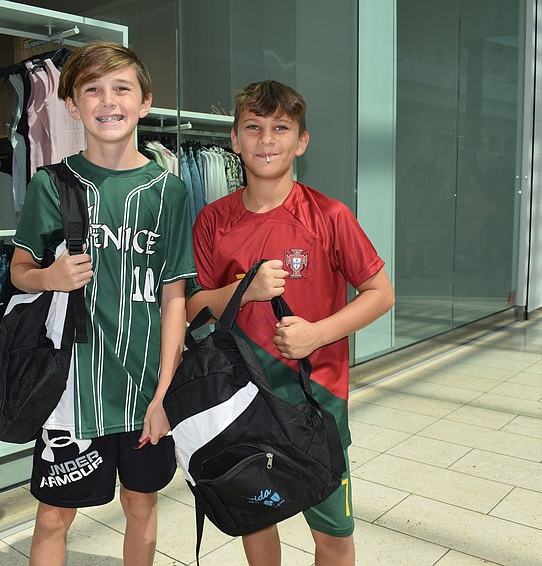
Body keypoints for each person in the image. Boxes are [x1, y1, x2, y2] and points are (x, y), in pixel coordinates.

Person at [186, 80, 395, 566]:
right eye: (253, 128)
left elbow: (381, 293)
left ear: (301, 141)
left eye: (280, 128)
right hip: (241, 403)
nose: (266, 139)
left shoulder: (329, 215)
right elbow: (194, 305)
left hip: (316, 403)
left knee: (335, 536)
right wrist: (245, 291)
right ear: (234, 141)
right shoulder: (213, 221)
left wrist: (317, 334)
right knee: (256, 525)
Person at [9, 42, 196, 566]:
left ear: (144, 102)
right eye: (91, 89)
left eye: (121, 89)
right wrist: (48, 275)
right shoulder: (52, 183)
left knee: (141, 504)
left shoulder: (170, 191)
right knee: (52, 515)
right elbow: (20, 275)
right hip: (71, 392)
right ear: (71, 105)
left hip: (143, 391)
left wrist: (164, 395)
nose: (107, 101)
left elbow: (174, 297)